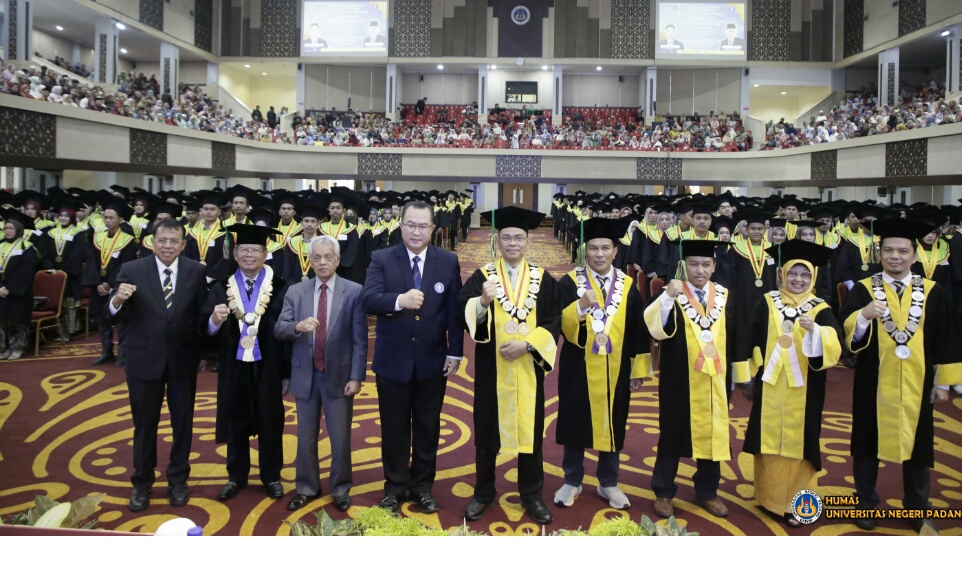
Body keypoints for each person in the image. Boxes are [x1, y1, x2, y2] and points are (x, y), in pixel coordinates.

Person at [839, 218, 962, 533]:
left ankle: (918, 506)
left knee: (919, 447)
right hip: (872, 381)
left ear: (915, 255)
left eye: (903, 251)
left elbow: (948, 338)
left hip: (918, 383)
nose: (895, 256)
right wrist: (862, 316)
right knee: (866, 444)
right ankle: (866, 503)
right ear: (880, 253)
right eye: (889, 250)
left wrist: (943, 383)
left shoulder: (932, 291)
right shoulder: (864, 289)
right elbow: (845, 334)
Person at [459, 206, 561, 525]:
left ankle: (532, 494)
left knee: (531, 430)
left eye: (518, 238)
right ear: (497, 241)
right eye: (506, 237)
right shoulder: (483, 277)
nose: (513, 243)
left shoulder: (544, 279)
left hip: (528, 368)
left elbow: (553, 320)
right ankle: (483, 493)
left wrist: (527, 345)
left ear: (528, 241)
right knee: (487, 429)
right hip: (492, 368)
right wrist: (482, 302)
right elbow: (463, 313)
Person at [362, 200, 464, 514]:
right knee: (393, 428)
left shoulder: (447, 261)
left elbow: (454, 311)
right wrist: (399, 300)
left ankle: (422, 487)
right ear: (401, 225)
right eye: (410, 225)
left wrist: (455, 351)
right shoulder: (382, 258)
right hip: (392, 361)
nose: (416, 232)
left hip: (433, 360)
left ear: (432, 229)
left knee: (427, 427)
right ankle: (394, 488)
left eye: (422, 226)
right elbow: (368, 299)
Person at [105, 219, 209, 512]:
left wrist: (208, 342)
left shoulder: (195, 270)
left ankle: (178, 479)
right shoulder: (132, 269)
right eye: (162, 240)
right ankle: (141, 482)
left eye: (174, 241)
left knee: (182, 423)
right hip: (143, 360)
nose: (167, 246)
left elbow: (201, 313)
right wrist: (117, 300)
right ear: (151, 242)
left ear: (183, 244)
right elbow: (111, 314)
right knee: (144, 424)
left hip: (182, 360)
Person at [737, 240, 841, 528]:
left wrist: (816, 331)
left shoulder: (820, 308)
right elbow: (750, 336)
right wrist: (747, 377)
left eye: (805, 275)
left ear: (813, 277)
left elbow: (836, 343)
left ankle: (799, 502)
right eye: (793, 273)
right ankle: (768, 497)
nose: (798, 280)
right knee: (768, 441)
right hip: (769, 385)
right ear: (781, 274)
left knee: (802, 445)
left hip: (806, 390)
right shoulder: (767, 302)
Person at [643, 239, 746, 520]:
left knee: (714, 432)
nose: (700, 270)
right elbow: (653, 328)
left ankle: (707, 491)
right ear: (683, 266)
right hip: (679, 379)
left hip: (716, 380)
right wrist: (667, 296)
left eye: (705, 264)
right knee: (672, 432)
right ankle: (664, 491)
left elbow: (738, 336)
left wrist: (741, 376)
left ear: (714, 267)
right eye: (694, 264)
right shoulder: (671, 294)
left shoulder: (726, 296)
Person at [554, 218, 652, 510]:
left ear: (615, 251)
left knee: (614, 419)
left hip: (616, 367)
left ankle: (608, 482)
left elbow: (637, 330)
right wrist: (579, 306)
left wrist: (638, 370)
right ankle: (572, 479)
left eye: (605, 248)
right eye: (593, 248)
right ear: (585, 251)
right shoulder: (570, 282)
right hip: (578, 365)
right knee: (575, 419)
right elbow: (557, 324)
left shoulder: (628, 286)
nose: (599, 254)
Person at [275, 235, 367, 512]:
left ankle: (340, 488)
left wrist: (356, 376)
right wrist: (297, 326)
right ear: (310, 261)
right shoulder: (296, 291)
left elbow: (360, 339)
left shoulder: (354, 291)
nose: (323, 262)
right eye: (317, 257)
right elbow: (279, 328)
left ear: (337, 260)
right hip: (306, 375)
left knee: (340, 438)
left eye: (328, 257)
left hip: (339, 376)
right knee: (305, 437)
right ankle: (306, 487)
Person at [203, 224, 288, 502]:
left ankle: (271, 476)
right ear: (235, 253)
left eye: (255, 250)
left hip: (269, 365)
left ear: (265, 253)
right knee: (234, 418)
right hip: (234, 364)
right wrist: (214, 321)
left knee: (270, 419)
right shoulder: (221, 286)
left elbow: (287, 332)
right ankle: (236, 476)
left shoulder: (281, 287)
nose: (249, 255)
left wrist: (286, 372)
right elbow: (205, 327)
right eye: (244, 250)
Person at [81, 200, 138, 366]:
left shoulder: (128, 241)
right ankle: (106, 351)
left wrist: (110, 283)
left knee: (121, 321)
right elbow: (91, 262)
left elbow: (125, 265)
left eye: (111, 218)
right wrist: (97, 283)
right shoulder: (97, 238)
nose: (107, 221)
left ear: (120, 219)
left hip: (118, 286)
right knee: (101, 320)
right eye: (105, 217)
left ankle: (123, 353)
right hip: (98, 285)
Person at [0, 210, 39, 361]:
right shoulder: (0, 246)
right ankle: (3, 347)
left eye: (11, 228)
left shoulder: (27, 248)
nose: (7, 231)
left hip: (18, 292)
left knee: (17, 320)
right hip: (1, 291)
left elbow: (26, 272)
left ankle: (17, 347)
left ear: (19, 229)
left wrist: (9, 288)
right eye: (5, 228)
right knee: (2, 320)